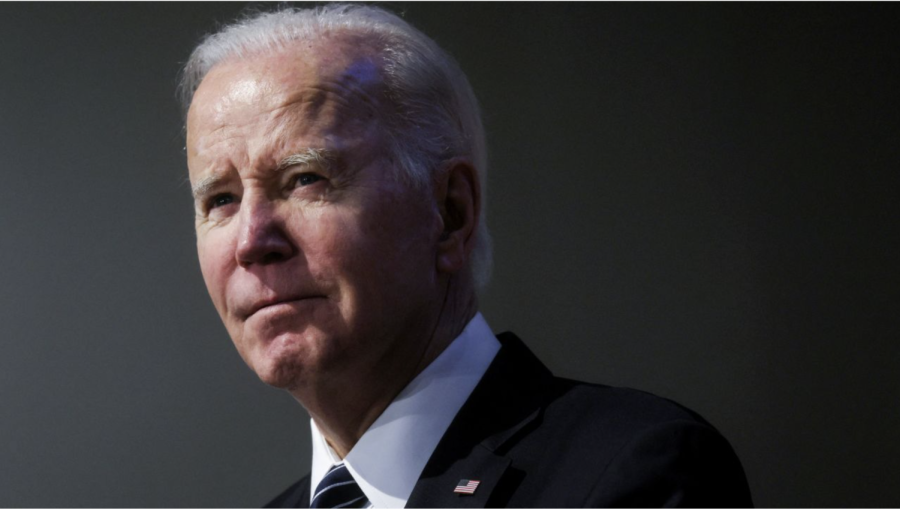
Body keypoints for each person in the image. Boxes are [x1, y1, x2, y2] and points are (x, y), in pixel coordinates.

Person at [180, 4, 752, 508]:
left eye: (305, 179)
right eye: (221, 199)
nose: (253, 241)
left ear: (450, 213)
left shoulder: (633, 473)